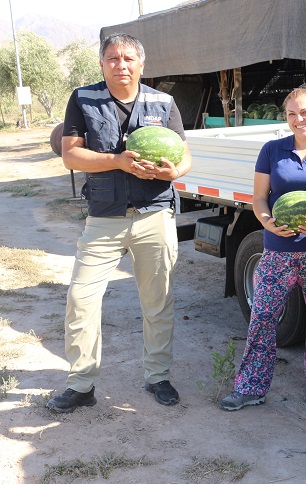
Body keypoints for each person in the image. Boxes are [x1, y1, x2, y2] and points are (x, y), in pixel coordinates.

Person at [48, 33, 193, 413]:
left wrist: (174, 169)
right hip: (104, 216)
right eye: (112, 58)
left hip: (155, 213)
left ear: (142, 64)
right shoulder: (83, 99)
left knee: (157, 301)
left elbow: (184, 155)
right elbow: (71, 155)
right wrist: (117, 161)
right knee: (81, 299)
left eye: (129, 58)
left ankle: (158, 376)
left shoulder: (164, 102)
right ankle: (81, 384)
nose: (121, 64)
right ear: (102, 64)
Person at [219, 87, 306, 411]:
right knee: (262, 315)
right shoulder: (272, 150)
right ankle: (251, 386)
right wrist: (266, 221)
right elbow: (260, 197)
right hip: (278, 252)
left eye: (304, 112)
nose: (298, 119)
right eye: (291, 114)